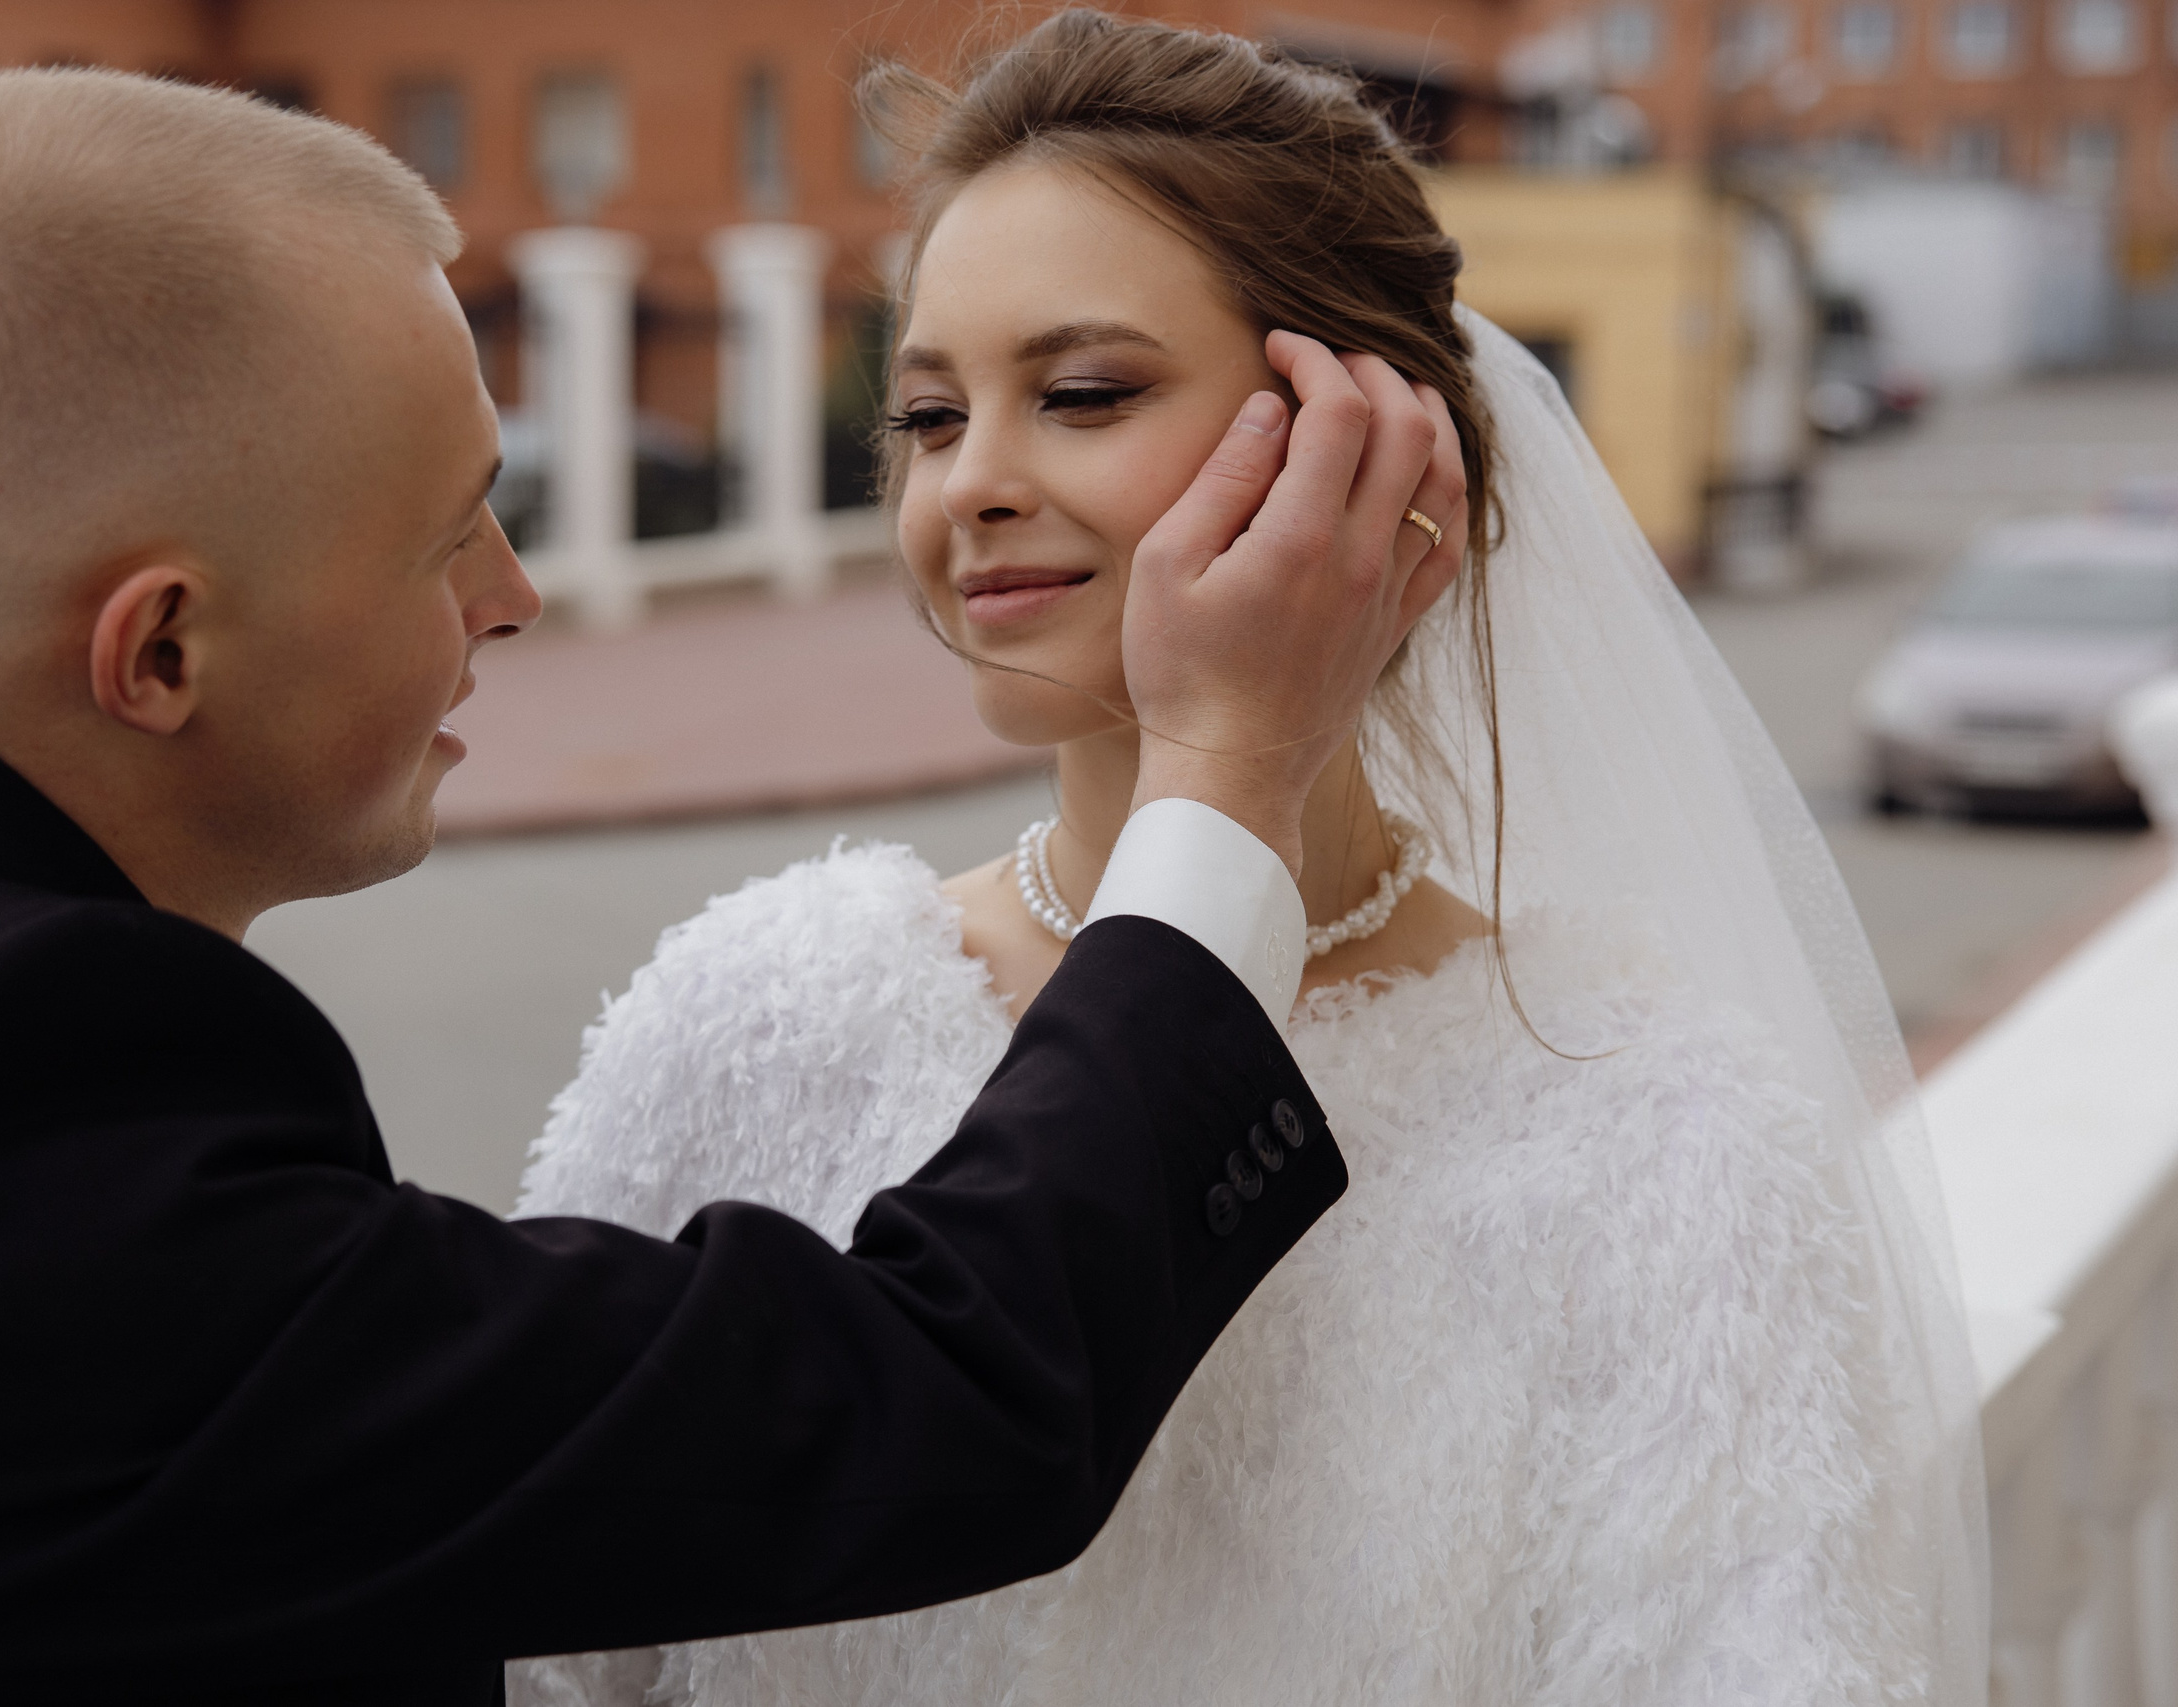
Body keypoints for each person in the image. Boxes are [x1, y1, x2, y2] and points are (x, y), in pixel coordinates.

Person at [0, 66, 1468, 1705]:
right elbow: (923, 1397)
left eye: (1077, 391)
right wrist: (1228, 777)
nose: (516, 592)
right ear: (159, 652)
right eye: (448, 536)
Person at [510, 15, 1990, 1706]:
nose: (973, 482)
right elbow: (546, 1636)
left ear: (1369, 449)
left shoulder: (1657, 1124)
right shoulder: (752, 1016)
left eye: (1082, 394)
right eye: (926, 413)